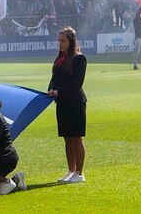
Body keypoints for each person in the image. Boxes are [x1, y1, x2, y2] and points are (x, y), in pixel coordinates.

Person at [48, 26, 88, 184]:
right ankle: (71, 170)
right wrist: (51, 88)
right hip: (63, 103)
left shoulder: (79, 58)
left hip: (75, 103)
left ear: (71, 41)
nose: (60, 44)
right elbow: (54, 78)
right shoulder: (59, 59)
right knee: (67, 138)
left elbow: (77, 82)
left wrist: (59, 91)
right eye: (59, 41)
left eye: (63, 41)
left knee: (76, 138)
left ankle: (79, 172)